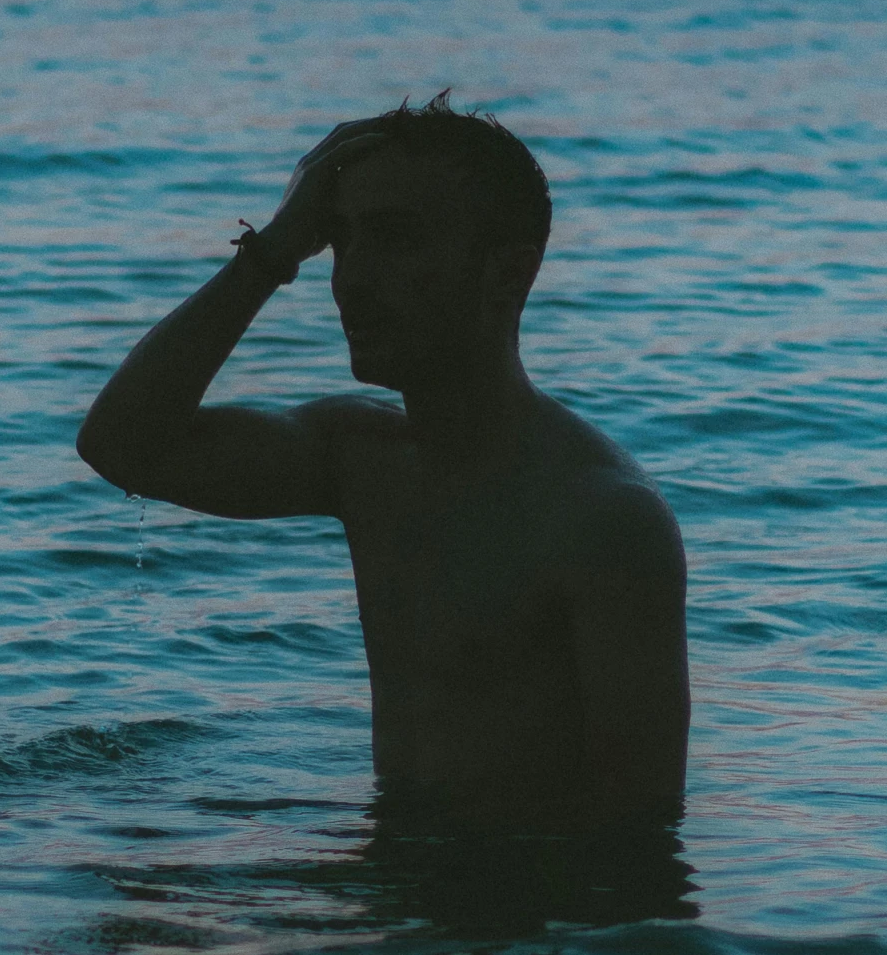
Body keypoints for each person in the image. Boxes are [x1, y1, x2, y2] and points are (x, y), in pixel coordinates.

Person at [76, 96, 689, 832]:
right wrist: (273, 251)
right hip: (396, 893)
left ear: (508, 273)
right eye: (338, 243)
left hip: (517, 918)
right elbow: (123, 447)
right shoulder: (363, 460)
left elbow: (640, 836)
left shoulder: (601, 520)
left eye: (394, 241)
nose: (353, 281)